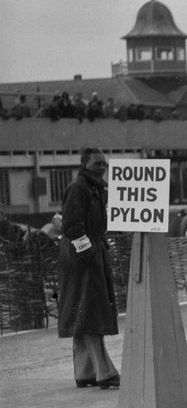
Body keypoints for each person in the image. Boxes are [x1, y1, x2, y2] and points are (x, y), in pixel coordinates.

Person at [57, 148, 120, 389]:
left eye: (104, 164)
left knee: (83, 313)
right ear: (84, 164)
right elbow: (72, 227)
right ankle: (105, 372)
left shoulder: (94, 188)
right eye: (97, 164)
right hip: (81, 260)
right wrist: (90, 253)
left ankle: (84, 372)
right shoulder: (78, 188)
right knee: (91, 312)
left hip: (87, 256)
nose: (102, 167)